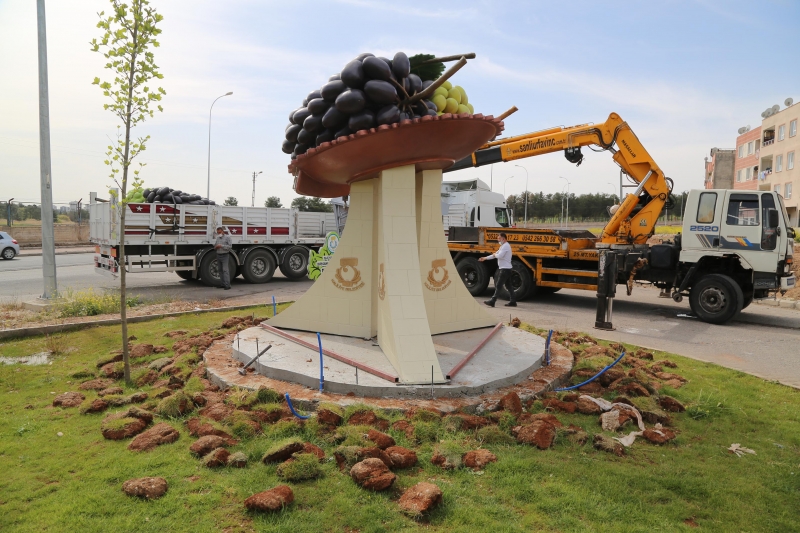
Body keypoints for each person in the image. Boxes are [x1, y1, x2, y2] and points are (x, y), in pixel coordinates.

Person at [479, 231, 516, 307]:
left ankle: (493, 301)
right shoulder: (503, 246)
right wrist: (485, 258)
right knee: (509, 286)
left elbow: (500, 256)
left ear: (503, 238)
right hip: (507, 269)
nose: (498, 240)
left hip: (505, 269)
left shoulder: (505, 246)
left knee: (499, 285)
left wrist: (495, 254)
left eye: (499, 238)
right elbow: (495, 255)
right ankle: (513, 301)